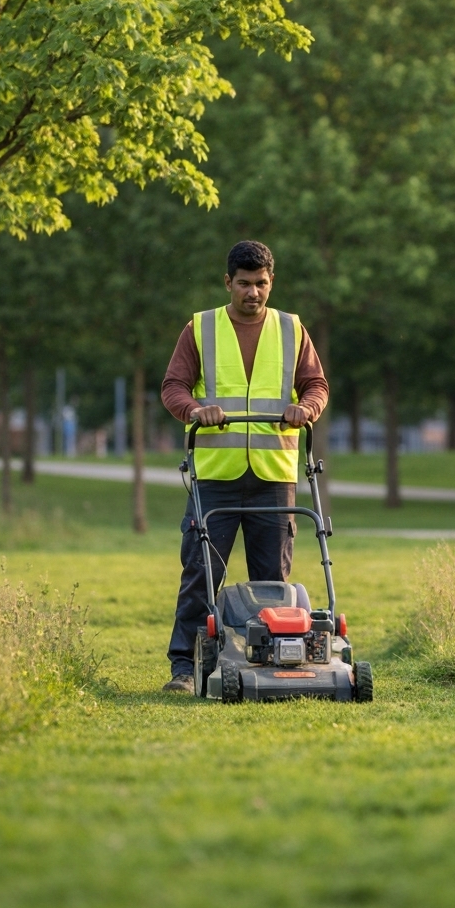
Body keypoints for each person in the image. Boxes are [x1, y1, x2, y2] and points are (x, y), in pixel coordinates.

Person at [159, 241, 329, 692]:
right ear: (228, 282)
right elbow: (173, 386)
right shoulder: (200, 329)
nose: (253, 292)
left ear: (271, 282)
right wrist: (196, 411)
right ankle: (184, 666)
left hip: (273, 477)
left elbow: (315, 384)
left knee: (272, 582)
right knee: (201, 572)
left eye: (261, 284)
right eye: (244, 284)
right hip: (215, 476)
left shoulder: (292, 330)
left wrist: (306, 408)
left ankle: (268, 662)